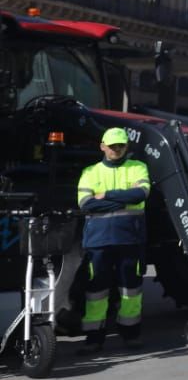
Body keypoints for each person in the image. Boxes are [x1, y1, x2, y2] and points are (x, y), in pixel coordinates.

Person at [76, 127, 151, 354]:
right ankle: (94, 338)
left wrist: (107, 195)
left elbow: (140, 195)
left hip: (130, 239)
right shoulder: (90, 172)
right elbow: (86, 204)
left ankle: (131, 335)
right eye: (112, 146)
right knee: (96, 290)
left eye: (121, 146)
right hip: (98, 242)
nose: (116, 149)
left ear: (126, 147)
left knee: (131, 290)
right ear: (102, 146)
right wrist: (123, 199)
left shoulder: (138, 167)